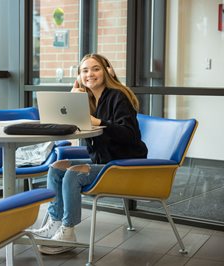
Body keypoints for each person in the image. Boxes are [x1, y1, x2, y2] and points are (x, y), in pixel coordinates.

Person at [30, 53, 148, 254]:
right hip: (103, 159)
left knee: (74, 172)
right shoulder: (89, 99)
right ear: (79, 76)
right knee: (57, 168)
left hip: (124, 164)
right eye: (84, 71)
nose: (90, 74)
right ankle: (55, 223)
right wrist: (72, 98)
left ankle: (68, 231)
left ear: (107, 71)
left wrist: (99, 122)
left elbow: (130, 135)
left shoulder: (118, 97)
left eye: (95, 68)